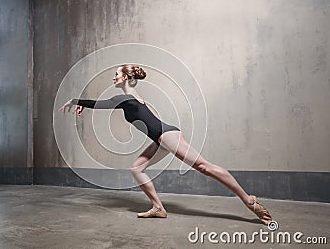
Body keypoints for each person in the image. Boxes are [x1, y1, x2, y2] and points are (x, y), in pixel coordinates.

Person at [59, 64, 272, 225]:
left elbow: (102, 104)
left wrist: (75, 101)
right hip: (161, 138)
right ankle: (158, 208)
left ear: (124, 77)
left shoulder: (126, 99)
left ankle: (249, 201)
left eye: (116, 74)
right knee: (137, 168)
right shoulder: (131, 97)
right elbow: (108, 106)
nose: (113, 77)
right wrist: (84, 107)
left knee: (203, 166)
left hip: (166, 135)